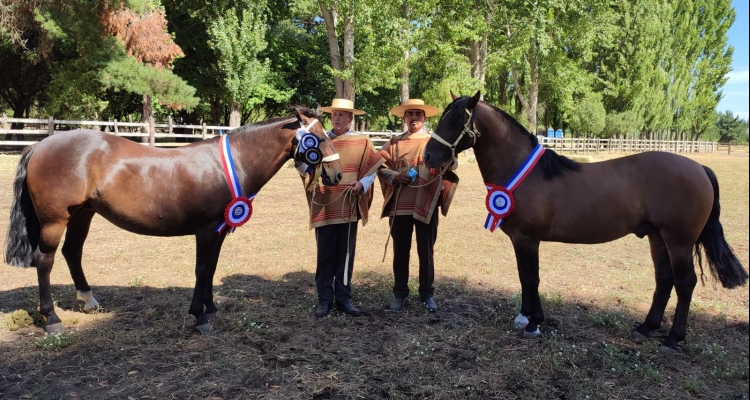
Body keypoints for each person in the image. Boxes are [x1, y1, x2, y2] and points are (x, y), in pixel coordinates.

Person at [296, 98, 385, 318]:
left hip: (348, 206)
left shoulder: (362, 142)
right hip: (324, 204)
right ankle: (324, 300)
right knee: (324, 253)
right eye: (334, 114)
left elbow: (372, 168)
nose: (337, 118)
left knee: (345, 254)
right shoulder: (318, 139)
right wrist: (306, 171)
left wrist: (362, 184)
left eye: (342, 115)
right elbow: (301, 164)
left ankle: (344, 299)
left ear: (350, 118)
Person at [377, 99, 459, 313]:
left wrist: (448, 160)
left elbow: (453, 163)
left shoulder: (434, 140)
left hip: (427, 202)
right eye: (410, 114)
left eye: (418, 114)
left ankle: (427, 294)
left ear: (424, 118)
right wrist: (395, 176)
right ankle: (399, 294)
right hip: (400, 204)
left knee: (426, 250)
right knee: (400, 250)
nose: (414, 118)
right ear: (404, 118)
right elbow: (380, 166)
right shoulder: (394, 143)